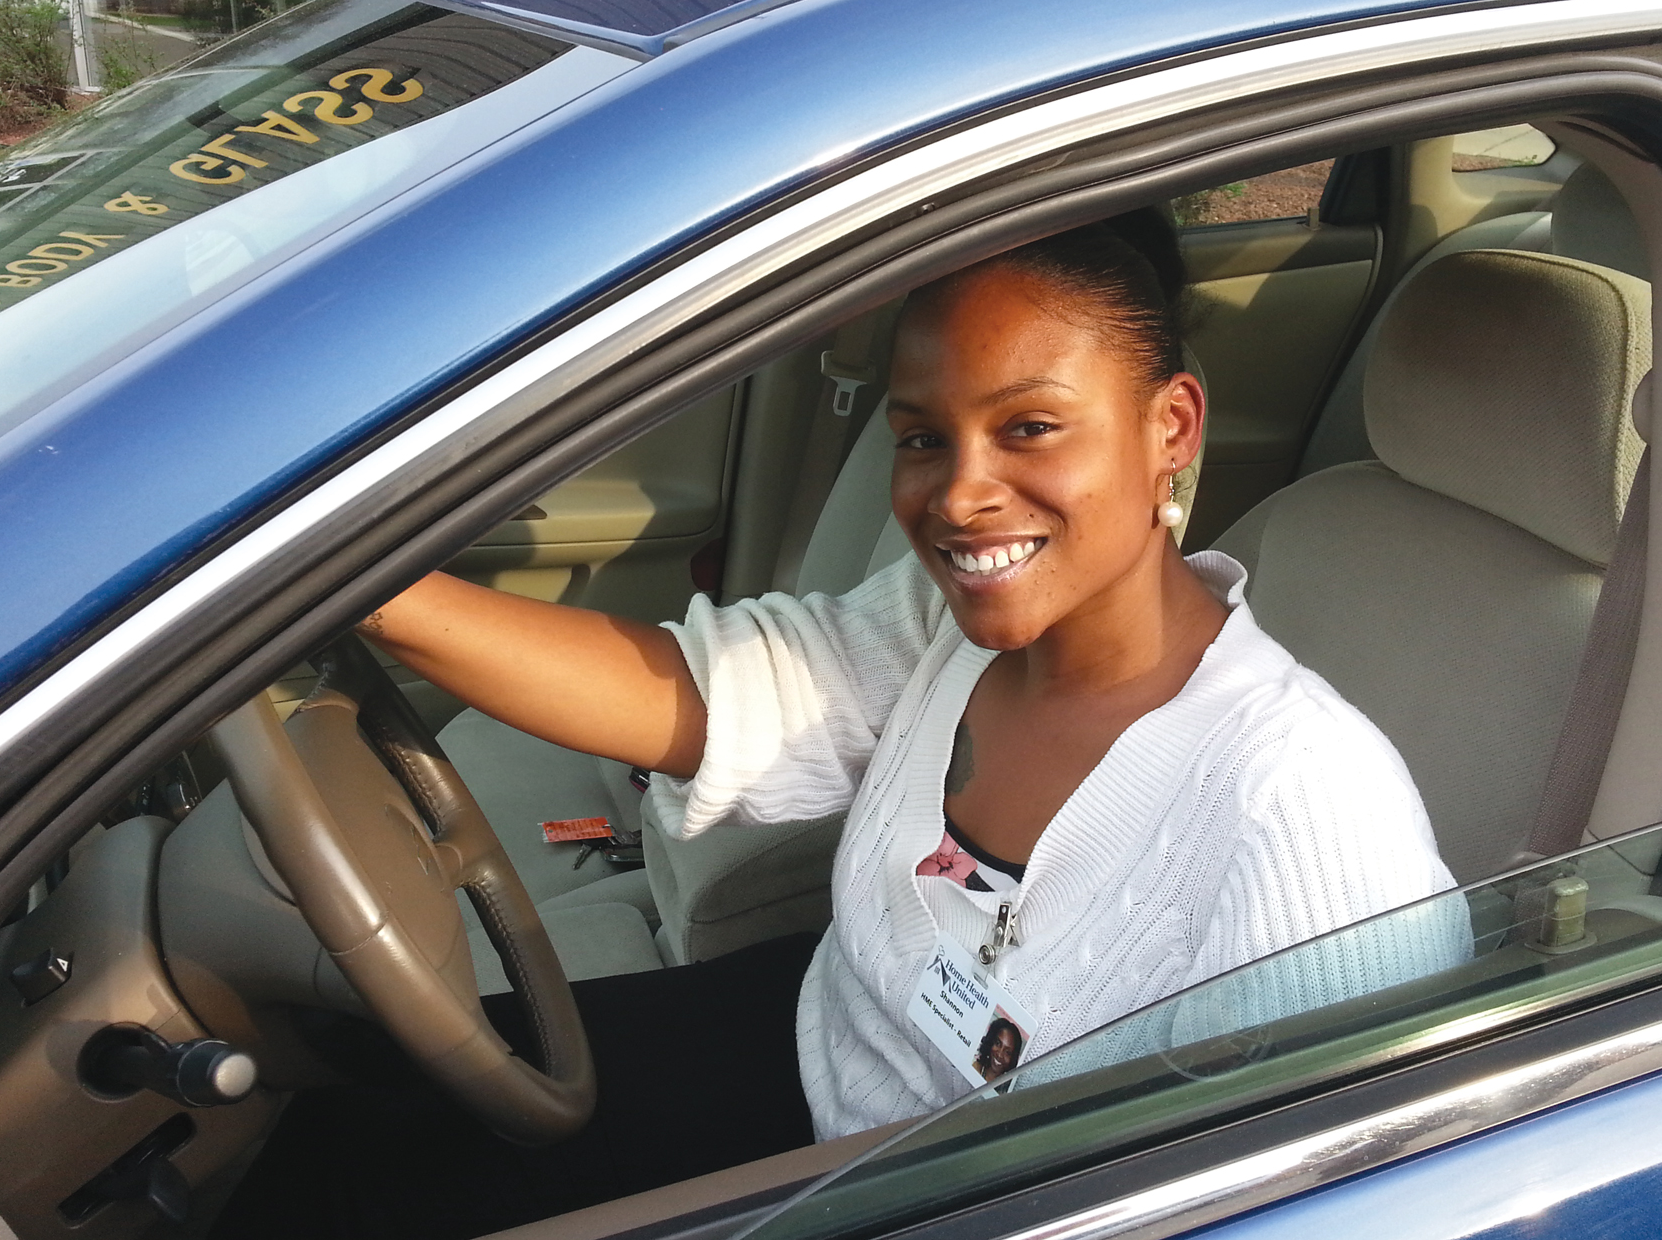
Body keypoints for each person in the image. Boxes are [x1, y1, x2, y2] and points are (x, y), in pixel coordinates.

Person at [356, 208, 1465, 1148]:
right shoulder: (952, 628)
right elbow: (712, 693)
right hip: (809, 1060)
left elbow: (1348, 1181)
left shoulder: (1312, 819)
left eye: (1029, 427)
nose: (960, 494)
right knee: (366, 1119)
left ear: (1169, 426)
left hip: (945, 1192)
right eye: (924, 438)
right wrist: (357, 584)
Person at [975, 1016, 1025, 1081]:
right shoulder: (975, 1067)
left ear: (1013, 1058)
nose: (1000, 1055)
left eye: (1007, 1052)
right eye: (998, 1044)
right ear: (991, 1042)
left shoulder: (1004, 1089)